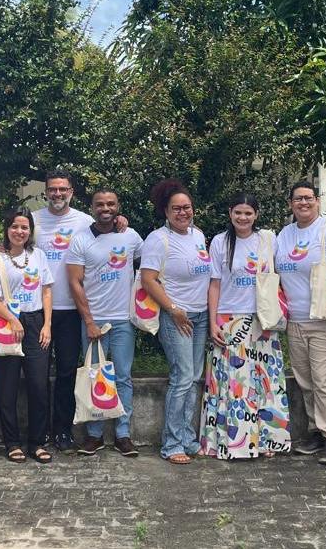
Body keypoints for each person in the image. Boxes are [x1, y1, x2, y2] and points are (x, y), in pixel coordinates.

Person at [200, 193, 291, 460]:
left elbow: (281, 274)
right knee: (233, 383)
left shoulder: (268, 239)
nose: (243, 217)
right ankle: (228, 442)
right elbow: (214, 284)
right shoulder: (220, 242)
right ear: (230, 213)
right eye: (238, 212)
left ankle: (267, 440)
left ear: (256, 215)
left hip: (263, 319)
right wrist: (213, 322)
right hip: (229, 319)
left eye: (248, 213)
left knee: (265, 380)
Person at [275, 181, 326, 465]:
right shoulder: (284, 234)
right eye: (298, 199)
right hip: (295, 320)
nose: (303, 203)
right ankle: (317, 431)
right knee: (306, 381)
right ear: (291, 203)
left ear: (317, 201)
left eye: (308, 198)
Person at [66, 188, 144, 457]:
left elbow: (150, 265)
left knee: (123, 377)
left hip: (123, 319)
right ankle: (94, 435)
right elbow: (75, 282)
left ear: (118, 206)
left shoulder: (130, 236)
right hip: (94, 320)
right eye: (100, 204)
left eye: (111, 204)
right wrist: (88, 321)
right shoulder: (81, 240)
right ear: (92, 208)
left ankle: (123, 434)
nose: (105, 208)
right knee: (94, 376)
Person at [140, 179, 211, 465]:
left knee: (193, 379)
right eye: (176, 209)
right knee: (182, 378)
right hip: (176, 318)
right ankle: (171, 444)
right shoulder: (158, 239)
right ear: (166, 212)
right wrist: (173, 309)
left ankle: (187, 438)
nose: (183, 213)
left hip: (201, 316)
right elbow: (148, 280)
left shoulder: (198, 235)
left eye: (187, 207)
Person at [0, 207, 55, 464]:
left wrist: (47, 325)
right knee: (7, 387)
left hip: (36, 323)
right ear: (7, 229)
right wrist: (12, 320)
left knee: (38, 385)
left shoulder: (38, 256)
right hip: (6, 323)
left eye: (25, 227)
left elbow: (46, 291)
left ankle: (37, 442)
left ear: (30, 231)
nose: (19, 231)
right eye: (15, 226)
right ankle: (12, 443)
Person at [32, 169, 94, 452]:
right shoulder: (33, 220)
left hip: (70, 309)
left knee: (67, 372)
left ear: (71, 192)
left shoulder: (85, 221)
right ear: (46, 191)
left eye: (62, 189)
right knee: (38, 375)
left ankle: (63, 431)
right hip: (37, 310)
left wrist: (120, 222)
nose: (57, 194)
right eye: (52, 189)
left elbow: (107, 240)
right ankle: (40, 432)